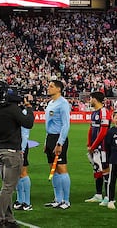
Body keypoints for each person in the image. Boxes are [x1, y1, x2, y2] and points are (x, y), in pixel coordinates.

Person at [0, 87, 25, 227]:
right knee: (9, 187)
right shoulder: (12, 109)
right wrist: (28, 108)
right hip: (12, 150)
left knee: (6, 186)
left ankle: (9, 219)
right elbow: (28, 122)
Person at [42, 79, 70, 209]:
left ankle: (66, 200)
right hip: (50, 138)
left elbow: (65, 124)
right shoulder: (50, 103)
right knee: (53, 170)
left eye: (51, 86)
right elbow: (49, 124)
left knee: (61, 168)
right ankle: (57, 199)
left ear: (58, 89)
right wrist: (46, 141)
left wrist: (60, 143)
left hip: (59, 138)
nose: (49, 88)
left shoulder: (63, 103)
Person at [83, 91, 111, 204]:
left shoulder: (104, 112)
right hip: (94, 148)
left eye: (91, 98)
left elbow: (103, 132)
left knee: (105, 170)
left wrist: (93, 146)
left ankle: (108, 196)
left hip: (103, 147)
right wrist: (89, 144)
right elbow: (91, 129)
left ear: (95, 99)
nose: (89, 101)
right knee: (97, 169)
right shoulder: (94, 113)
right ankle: (98, 194)